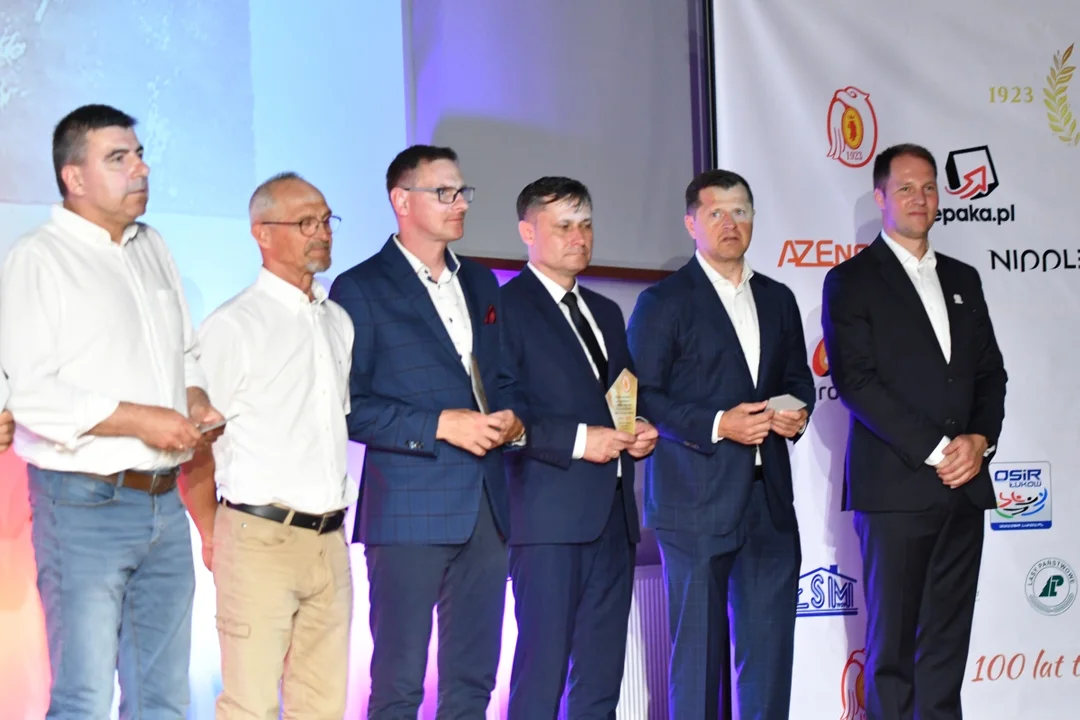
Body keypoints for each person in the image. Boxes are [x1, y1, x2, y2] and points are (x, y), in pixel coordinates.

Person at [0, 104, 224, 718]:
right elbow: (31, 393)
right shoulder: (38, 257)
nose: (140, 169)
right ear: (73, 177)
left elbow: (185, 355)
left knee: (163, 699)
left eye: (140, 155)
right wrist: (142, 418)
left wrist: (195, 398)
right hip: (82, 503)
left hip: (163, 502)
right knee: (84, 696)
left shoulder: (153, 246)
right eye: (119, 158)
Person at [329, 144, 523, 718]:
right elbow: (348, 408)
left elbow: (503, 377)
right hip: (407, 510)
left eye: (462, 191)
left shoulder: (482, 282)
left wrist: (512, 418)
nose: (459, 202)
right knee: (399, 682)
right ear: (401, 200)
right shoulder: (360, 288)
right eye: (444, 192)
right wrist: (439, 425)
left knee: (473, 681)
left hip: (486, 506)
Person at [821, 143, 1007, 720]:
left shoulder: (963, 278)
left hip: (965, 487)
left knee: (946, 647)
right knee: (893, 651)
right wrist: (938, 450)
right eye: (905, 188)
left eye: (928, 187)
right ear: (881, 198)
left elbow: (990, 374)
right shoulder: (851, 280)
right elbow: (856, 382)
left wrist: (980, 441)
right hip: (896, 490)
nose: (920, 198)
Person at [626, 169, 815, 720]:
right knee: (697, 662)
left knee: (769, 660)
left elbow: (798, 380)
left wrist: (795, 412)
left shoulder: (778, 298)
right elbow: (641, 395)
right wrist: (717, 424)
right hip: (694, 502)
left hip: (768, 501)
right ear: (692, 223)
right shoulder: (664, 301)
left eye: (741, 211)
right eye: (716, 213)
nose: (730, 223)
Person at [179, 173, 355, 718]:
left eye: (326, 220)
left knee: (322, 707)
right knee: (250, 705)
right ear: (262, 233)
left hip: (330, 540)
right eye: (305, 222)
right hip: (258, 538)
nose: (321, 232)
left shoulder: (338, 322)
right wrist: (213, 531)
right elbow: (195, 444)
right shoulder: (233, 326)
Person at [498, 177, 659, 718]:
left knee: (600, 678)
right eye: (564, 225)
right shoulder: (504, 308)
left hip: (614, 519)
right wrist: (580, 440)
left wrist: (640, 429)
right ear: (527, 232)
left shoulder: (606, 311)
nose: (579, 236)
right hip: (547, 520)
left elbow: (622, 397)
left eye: (586, 224)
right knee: (541, 675)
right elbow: (503, 414)